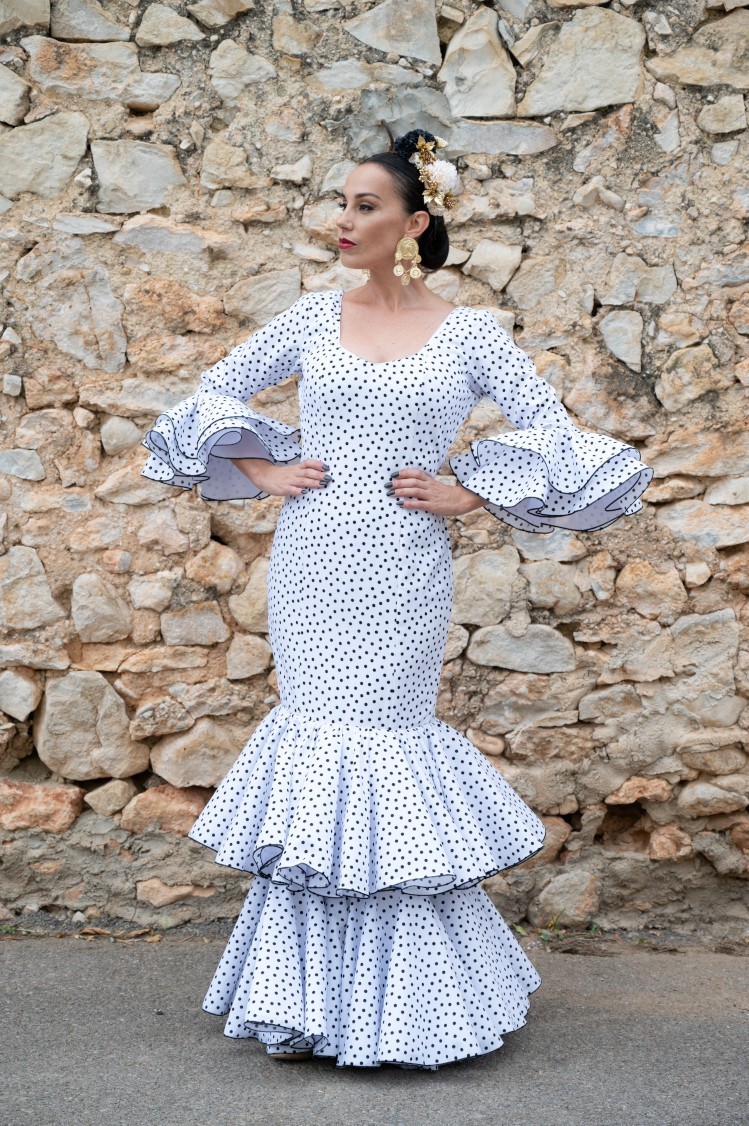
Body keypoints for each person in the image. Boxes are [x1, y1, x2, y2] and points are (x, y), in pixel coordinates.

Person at [140, 124, 653, 1070]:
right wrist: (260, 469)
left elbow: (554, 433)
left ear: (414, 223)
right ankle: (311, 1006)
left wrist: (472, 491)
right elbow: (206, 395)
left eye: (364, 205)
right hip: (312, 568)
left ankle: (408, 1008)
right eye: (340, 203)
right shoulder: (310, 316)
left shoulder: (467, 332)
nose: (343, 220)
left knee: (383, 760)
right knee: (318, 756)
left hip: (403, 570)